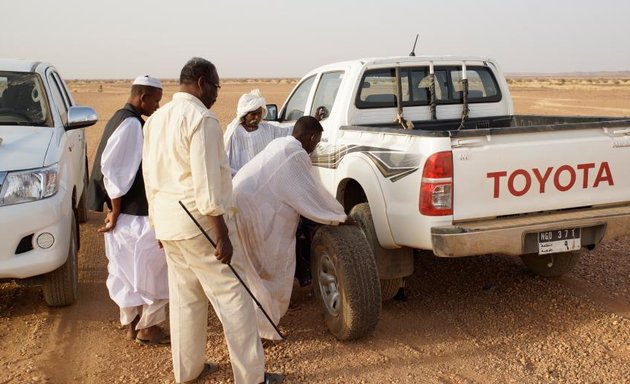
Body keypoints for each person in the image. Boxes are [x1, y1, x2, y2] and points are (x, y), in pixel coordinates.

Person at [142, 58, 282, 384]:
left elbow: (150, 176)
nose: (218, 94)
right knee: (235, 298)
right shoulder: (201, 119)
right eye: (217, 86)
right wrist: (222, 235)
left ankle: (187, 372)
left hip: (168, 222)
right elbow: (206, 184)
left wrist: (156, 224)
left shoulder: (156, 119)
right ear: (202, 82)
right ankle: (252, 378)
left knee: (185, 301)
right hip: (199, 222)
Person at [231, 116, 348, 341]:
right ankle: (261, 331)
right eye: (318, 141)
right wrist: (339, 215)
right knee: (271, 269)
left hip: (242, 208)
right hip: (254, 215)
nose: (316, 146)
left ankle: (255, 328)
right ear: (312, 137)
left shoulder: (281, 144)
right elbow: (309, 194)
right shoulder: (295, 154)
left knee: (252, 270)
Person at [87, 75, 169, 345]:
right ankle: (149, 329)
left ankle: (134, 327)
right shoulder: (132, 124)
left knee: (129, 275)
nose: (157, 106)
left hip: (127, 217)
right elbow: (115, 172)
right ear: (142, 97)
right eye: (155, 101)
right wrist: (116, 210)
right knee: (150, 274)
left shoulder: (120, 118)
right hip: (134, 217)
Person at [224, 89, 291, 176]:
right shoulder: (234, 133)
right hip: (242, 182)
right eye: (253, 114)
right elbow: (227, 162)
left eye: (259, 113)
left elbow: (289, 131)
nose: (257, 117)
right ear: (244, 114)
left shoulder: (268, 129)